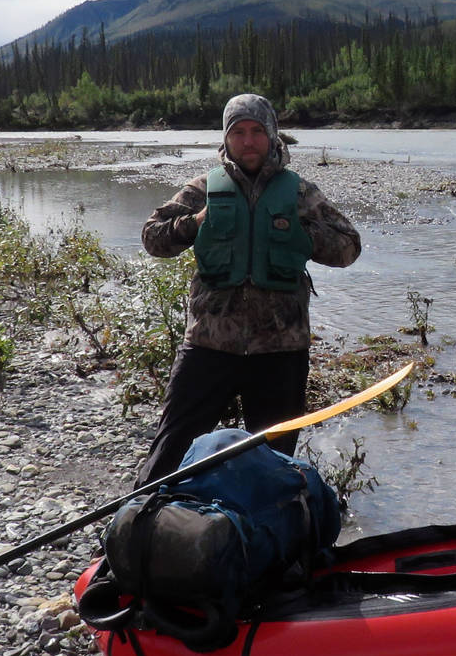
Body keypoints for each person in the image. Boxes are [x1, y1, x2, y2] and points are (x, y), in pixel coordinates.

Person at [136, 94, 361, 484]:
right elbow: (152, 238)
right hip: (208, 346)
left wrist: (302, 234)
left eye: (257, 131)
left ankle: (263, 537)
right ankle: (134, 529)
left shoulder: (300, 193)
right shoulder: (204, 188)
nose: (248, 141)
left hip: (281, 352)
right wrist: (196, 221)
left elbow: (349, 247)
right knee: (169, 452)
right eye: (238, 132)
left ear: (273, 136)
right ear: (226, 139)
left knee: (273, 465)